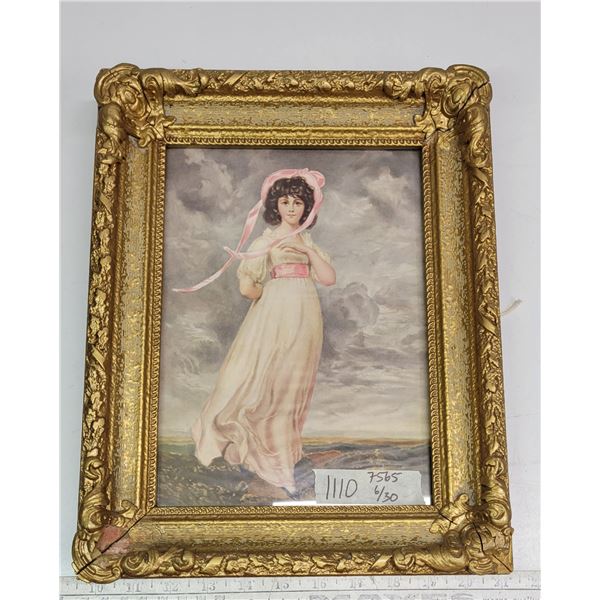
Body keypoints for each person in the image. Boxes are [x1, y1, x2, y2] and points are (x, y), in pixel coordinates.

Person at [181, 169, 336, 496]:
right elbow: (247, 286)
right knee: (270, 379)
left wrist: (308, 253)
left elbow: (328, 278)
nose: (291, 208)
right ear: (276, 205)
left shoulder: (308, 243)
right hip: (276, 313)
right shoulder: (266, 241)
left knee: (295, 383)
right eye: (285, 202)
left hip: (307, 316)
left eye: (298, 202)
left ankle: (287, 453)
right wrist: (269, 296)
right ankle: (269, 460)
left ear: (307, 207)